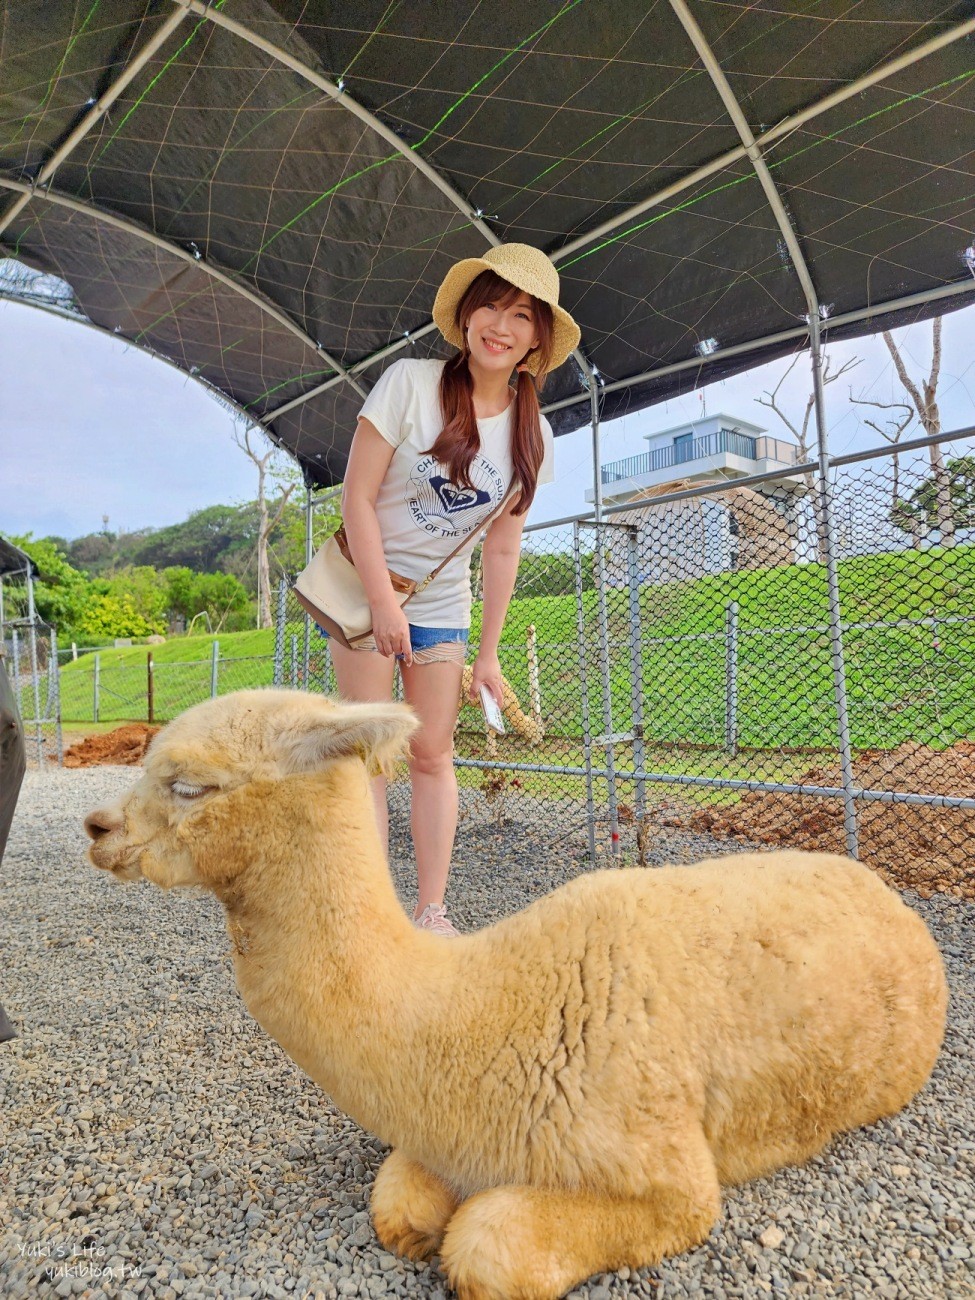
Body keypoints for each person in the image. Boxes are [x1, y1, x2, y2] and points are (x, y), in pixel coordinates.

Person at [330, 243, 580, 935]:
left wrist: (490, 654)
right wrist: (381, 600)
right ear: (468, 316)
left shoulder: (534, 434)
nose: (500, 325)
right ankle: (371, 912)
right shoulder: (409, 383)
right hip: (363, 587)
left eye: (521, 315)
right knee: (369, 750)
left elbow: (502, 546)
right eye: (491, 307)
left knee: (432, 752)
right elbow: (356, 496)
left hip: (441, 604)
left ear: (536, 338)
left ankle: (432, 909)